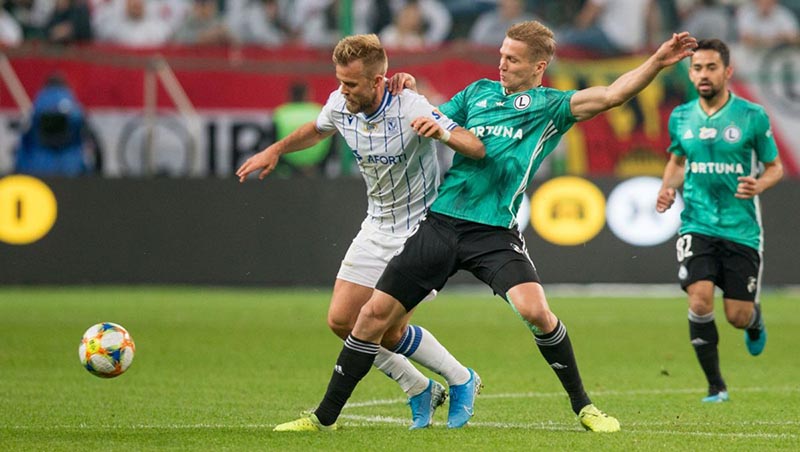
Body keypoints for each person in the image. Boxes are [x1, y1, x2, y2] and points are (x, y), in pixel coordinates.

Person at [273, 21, 697, 432]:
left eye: (512, 59)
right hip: (440, 222)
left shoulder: (551, 107)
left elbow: (611, 94)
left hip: (493, 232)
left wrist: (658, 60)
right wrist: (405, 85)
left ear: (537, 67)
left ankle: (585, 407)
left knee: (536, 312)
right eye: (501, 55)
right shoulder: (477, 93)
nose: (502, 64)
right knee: (370, 319)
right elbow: (433, 111)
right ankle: (323, 417)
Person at [236, 34, 486, 430]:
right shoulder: (340, 103)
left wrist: (442, 133)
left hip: (420, 232)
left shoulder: (410, 105)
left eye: (351, 84)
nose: (342, 90)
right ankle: (420, 386)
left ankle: (461, 378)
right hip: (376, 225)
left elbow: (474, 145)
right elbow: (318, 129)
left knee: (390, 330)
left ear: (378, 81)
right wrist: (276, 150)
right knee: (341, 322)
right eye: (340, 80)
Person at [655, 38, 783, 403]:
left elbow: (775, 167)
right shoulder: (681, 117)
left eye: (711, 67)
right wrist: (667, 190)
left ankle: (754, 320)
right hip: (697, 222)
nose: (703, 74)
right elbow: (678, 162)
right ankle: (716, 385)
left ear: (727, 72)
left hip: (741, 229)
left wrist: (759, 183)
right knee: (699, 300)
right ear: (690, 73)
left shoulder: (752, 117)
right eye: (697, 68)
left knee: (737, 316)